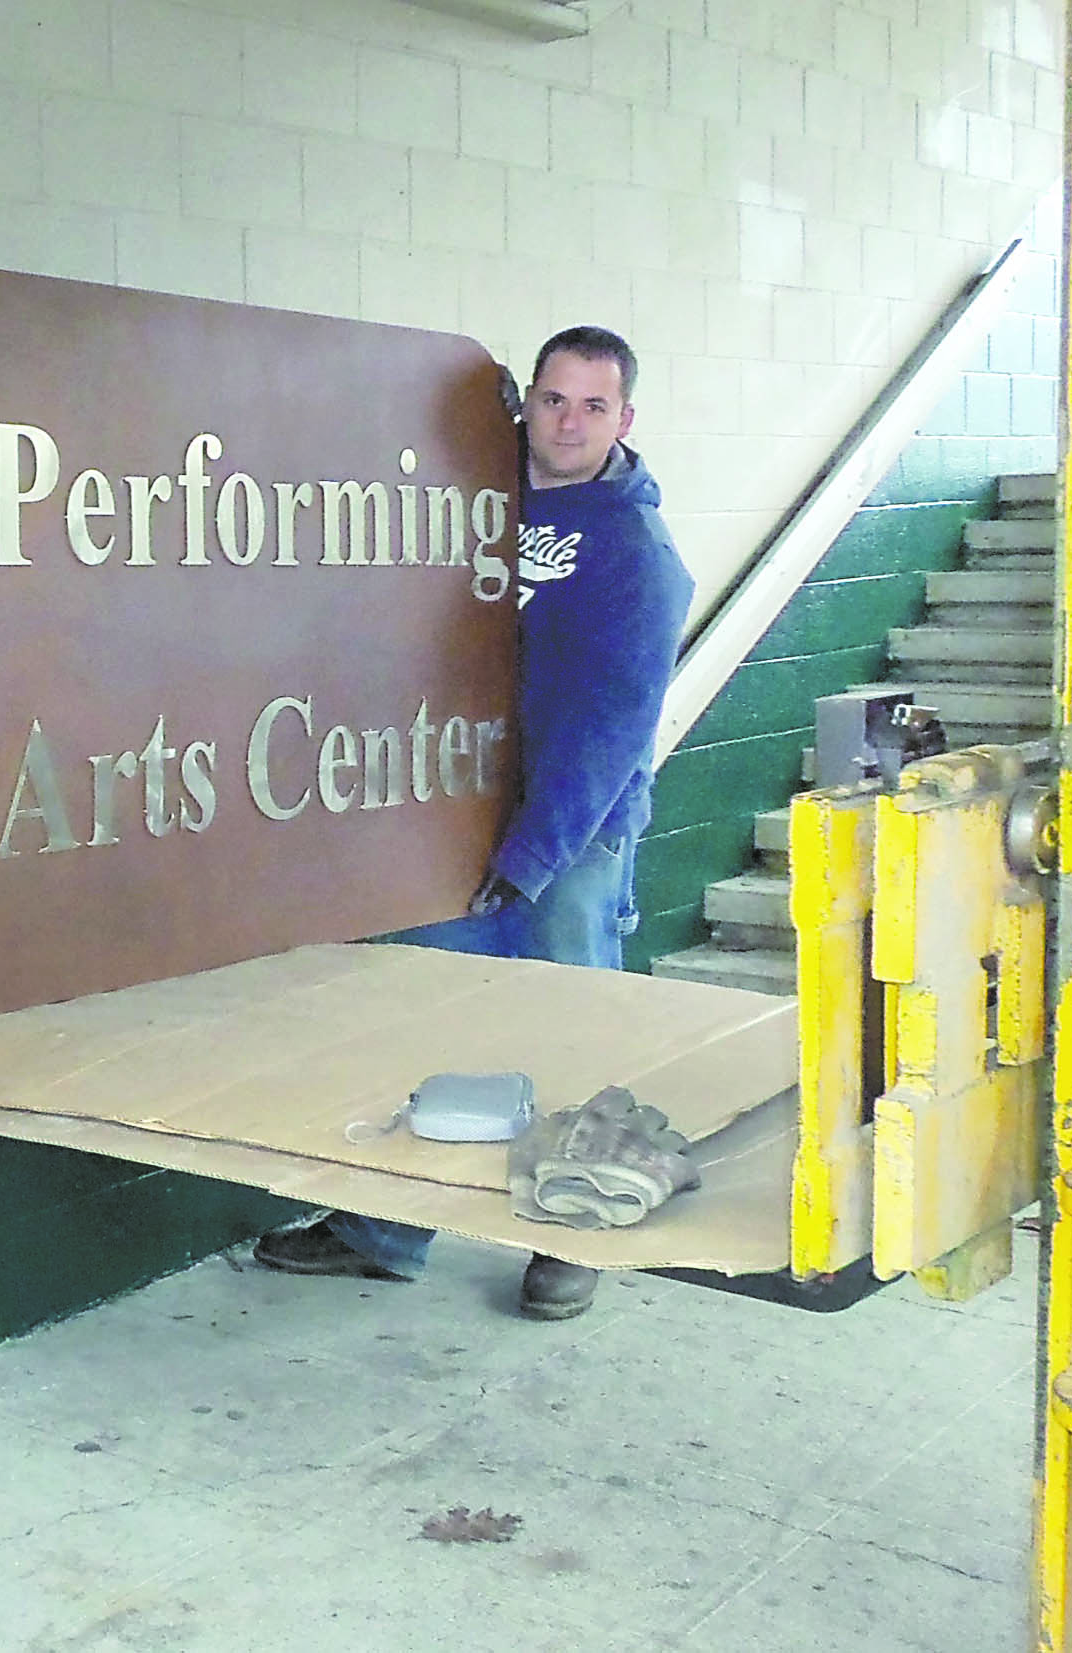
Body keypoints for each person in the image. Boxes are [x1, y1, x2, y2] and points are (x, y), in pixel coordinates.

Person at [254, 325, 693, 1322]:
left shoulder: (635, 553)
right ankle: (385, 1230)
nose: (568, 422)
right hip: (453, 813)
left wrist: (535, 857)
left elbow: (612, 726)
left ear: (626, 419)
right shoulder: (475, 500)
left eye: (592, 405)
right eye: (552, 399)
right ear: (525, 403)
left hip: (567, 837)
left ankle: (570, 1233)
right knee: (426, 1017)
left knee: (569, 1035)